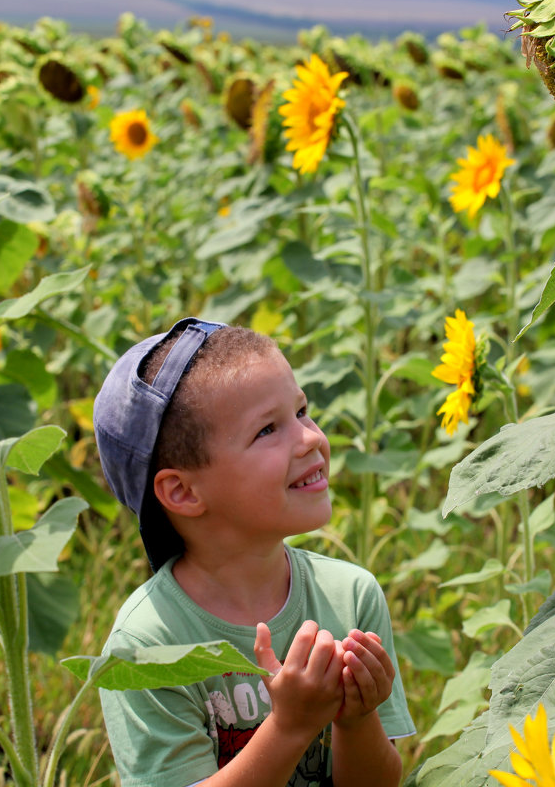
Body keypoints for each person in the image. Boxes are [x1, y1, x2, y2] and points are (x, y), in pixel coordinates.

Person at [93, 317, 415, 787]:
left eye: (302, 412)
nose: (310, 439)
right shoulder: (147, 644)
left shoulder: (350, 596)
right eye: (267, 430)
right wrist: (289, 727)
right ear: (182, 491)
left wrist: (357, 717)